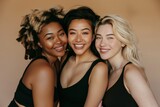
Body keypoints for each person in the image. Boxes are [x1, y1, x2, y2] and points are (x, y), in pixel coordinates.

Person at [95, 14, 159, 107]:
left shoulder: (131, 73)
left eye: (110, 37)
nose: (102, 43)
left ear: (122, 42)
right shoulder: (108, 71)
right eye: (98, 37)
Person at [8, 7, 67, 107]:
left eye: (61, 34)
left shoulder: (55, 63)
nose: (58, 41)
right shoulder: (43, 70)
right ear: (39, 43)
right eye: (50, 38)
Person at [58, 6, 108, 107]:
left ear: (93, 36)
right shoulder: (65, 58)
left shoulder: (99, 68)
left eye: (85, 33)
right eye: (73, 33)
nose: (78, 39)